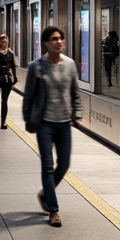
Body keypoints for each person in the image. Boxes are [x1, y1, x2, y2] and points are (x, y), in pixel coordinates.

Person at [22, 26, 82, 228]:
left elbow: (75, 92)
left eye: (61, 38)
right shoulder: (36, 67)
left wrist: (77, 114)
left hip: (64, 123)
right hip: (44, 124)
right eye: (54, 39)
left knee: (64, 164)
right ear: (46, 43)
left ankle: (45, 193)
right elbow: (28, 95)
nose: (59, 41)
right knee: (47, 166)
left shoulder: (70, 64)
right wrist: (28, 119)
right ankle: (53, 210)